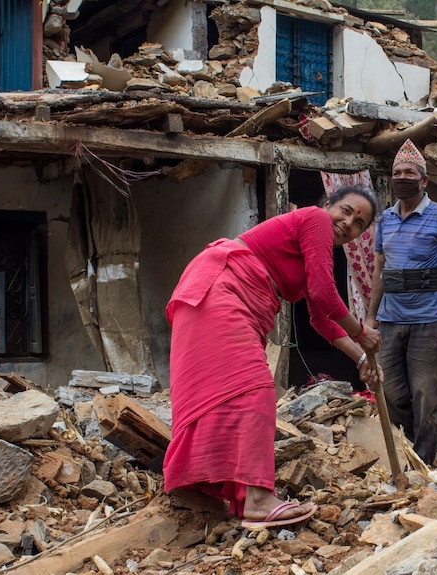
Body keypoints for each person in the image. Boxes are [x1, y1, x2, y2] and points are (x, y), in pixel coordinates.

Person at [163, 186, 382, 529]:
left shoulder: (317, 243)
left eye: (359, 223)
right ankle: (258, 498)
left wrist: (362, 361)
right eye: (346, 210)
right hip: (224, 286)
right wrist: (361, 332)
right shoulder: (315, 219)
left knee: (227, 390)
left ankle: (207, 485)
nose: (348, 222)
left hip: (229, 292)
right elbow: (326, 294)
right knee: (254, 388)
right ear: (327, 205)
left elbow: (319, 317)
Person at [366, 139, 437, 466]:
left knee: (427, 394)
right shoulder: (385, 219)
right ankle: (408, 452)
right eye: (397, 172)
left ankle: (422, 464)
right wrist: (370, 317)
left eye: (409, 172)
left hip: (430, 322)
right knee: (393, 392)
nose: (402, 177)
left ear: (424, 181)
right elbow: (379, 269)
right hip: (391, 321)